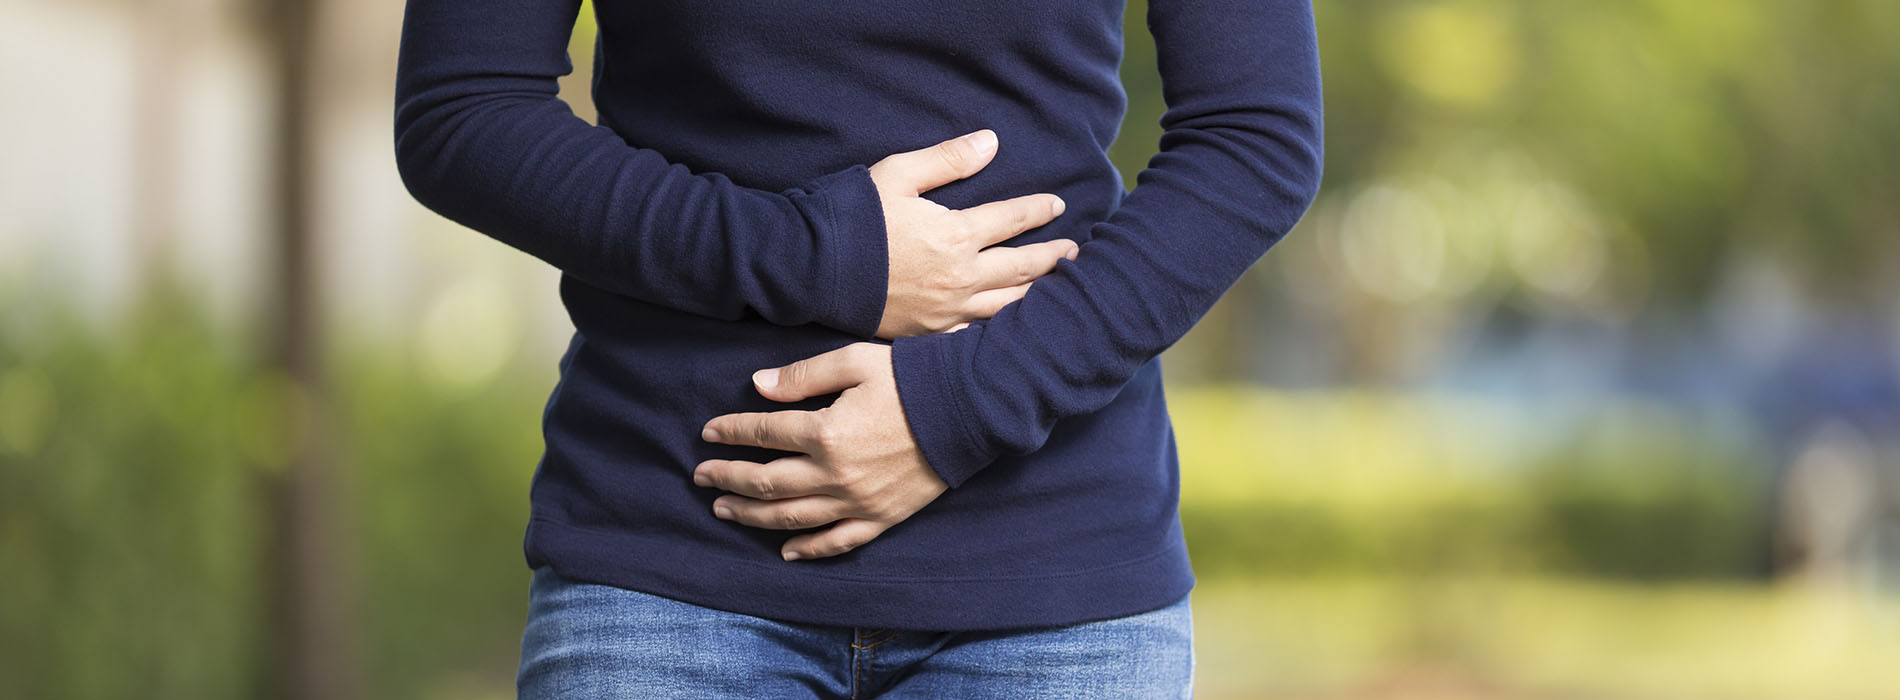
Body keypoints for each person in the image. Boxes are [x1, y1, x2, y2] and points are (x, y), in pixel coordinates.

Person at [393, 0, 1322, 696]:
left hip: (1052, 590)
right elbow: (464, 108)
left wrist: (958, 407)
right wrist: (819, 258)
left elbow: (1257, 134)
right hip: (668, 563)